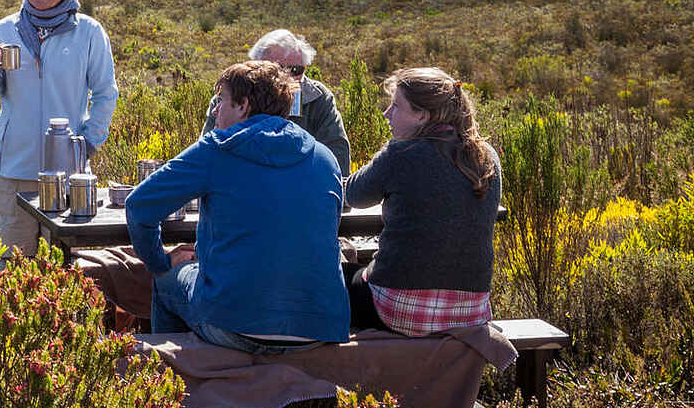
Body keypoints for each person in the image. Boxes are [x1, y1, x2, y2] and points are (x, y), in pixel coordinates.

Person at [125, 60, 349, 352]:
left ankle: (182, 381)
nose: (215, 111)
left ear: (243, 106)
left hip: (233, 323)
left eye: (221, 101)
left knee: (166, 281)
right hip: (320, 328)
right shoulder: (324, 157)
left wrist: (160, 261)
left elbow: (139, 206)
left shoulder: (217, 148)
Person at [0, 0, 118, 253]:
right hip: (14, 171)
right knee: (11, 268)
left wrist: (88, 144)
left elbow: (106, 93)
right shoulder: (5, 29)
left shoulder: (89, 32)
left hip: (68, 176)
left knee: (66, 269)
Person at [344, 68, 501, 335]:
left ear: (422, 115)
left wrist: (390, 147)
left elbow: (355, 195)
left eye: (396, 106)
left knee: (337, 277)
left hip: (401, 312)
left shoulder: (401, 153)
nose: (387, 114)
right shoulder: (486, 156)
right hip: (471, 313)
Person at [202, 28, 352, 174]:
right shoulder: (228, 98)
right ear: (255, 68)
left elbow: (338, 160)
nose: (286, 78)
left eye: (296, 70)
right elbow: (205, 154)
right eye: (276, 69)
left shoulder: (317, 98)